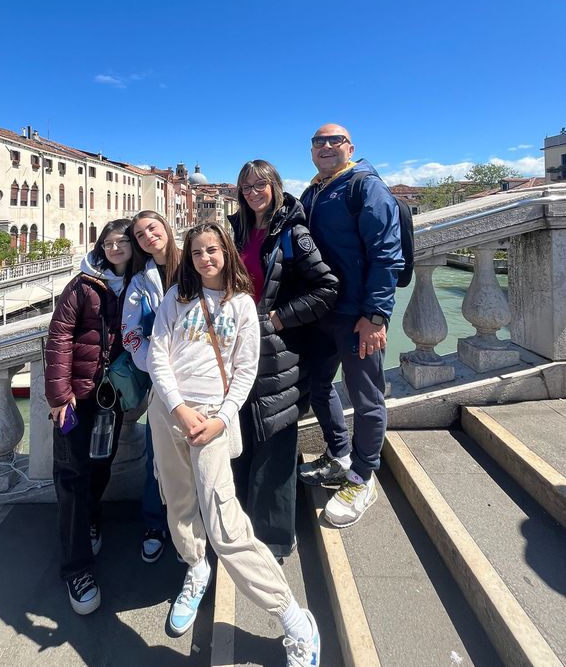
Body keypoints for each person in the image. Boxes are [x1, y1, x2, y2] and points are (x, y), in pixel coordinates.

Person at [146, 222, 321, 667]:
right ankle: (195, 567)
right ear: (189, 258)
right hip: (169, 412)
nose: (205, 258)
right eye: (198, 252)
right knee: (178, 501)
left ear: (226, 253)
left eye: (213, 250)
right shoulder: (175, 298)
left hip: (212, 419)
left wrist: (220, 419)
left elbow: (245, 371)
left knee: (226, 523)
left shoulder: (242, 304)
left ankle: (293, 617)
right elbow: (156, 357)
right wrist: (178, 409)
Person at [230, 159, 338, 560]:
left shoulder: (293, 231)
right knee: (242, 437)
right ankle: (242, 528)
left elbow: (327, 288)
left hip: (279, 350)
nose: (253, 192)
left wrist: (278, 317)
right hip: (239, 350)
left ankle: (273, 539)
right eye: (246, 187)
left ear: (275, 186)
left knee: (275, 440)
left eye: (261, 185)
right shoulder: (237, 230)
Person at [297, 124, 403, 528]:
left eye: (334, 140)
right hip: (321, 313)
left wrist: (375, 315)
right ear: (311, 151)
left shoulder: (366, 187)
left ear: (350, 147)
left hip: (357, 315)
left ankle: (362, 476)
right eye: (318, 141)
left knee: (366, 397)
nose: (325, 146)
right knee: (317, 387)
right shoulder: (314, 191)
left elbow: (386, 255)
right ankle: (340, 454)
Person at [45, 218, 133, 614]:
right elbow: (59, 336)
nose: (116, 248)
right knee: (71, 475)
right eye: (110, 242)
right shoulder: (83, 285)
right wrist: (58, 394)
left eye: (123, 242)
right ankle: (76, 568)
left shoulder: (141, 284)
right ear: (101, 246)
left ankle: (92, 518)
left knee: (101, 466)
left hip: (110, 396)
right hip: (75, 399)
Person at [122, 210, 180, 563]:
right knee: (155, 459)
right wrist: (155, 366)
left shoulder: (195, 261)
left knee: (198, 457)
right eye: (140, 235)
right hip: (160, 380)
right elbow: (131, 334)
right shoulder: (139, 281)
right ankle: (154, 524)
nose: (147, 237)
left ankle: (193, 527)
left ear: (166, 228)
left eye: (152, 229)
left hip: (200, 377)